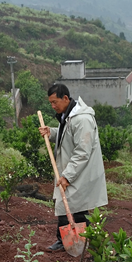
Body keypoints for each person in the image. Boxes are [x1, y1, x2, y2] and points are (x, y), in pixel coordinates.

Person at [39, 83, 108, 252]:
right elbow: (67, 135)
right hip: (73, 169)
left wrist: (67, 176)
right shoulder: (68, 115)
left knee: (73, 205)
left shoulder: (82, 119)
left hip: (80, 171)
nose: (53, 106)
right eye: (50, 103)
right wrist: (52, 132)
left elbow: (82, 152)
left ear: (65, 98)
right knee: (72, 206)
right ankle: (73, 241)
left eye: (55, 102)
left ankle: (74, 241)